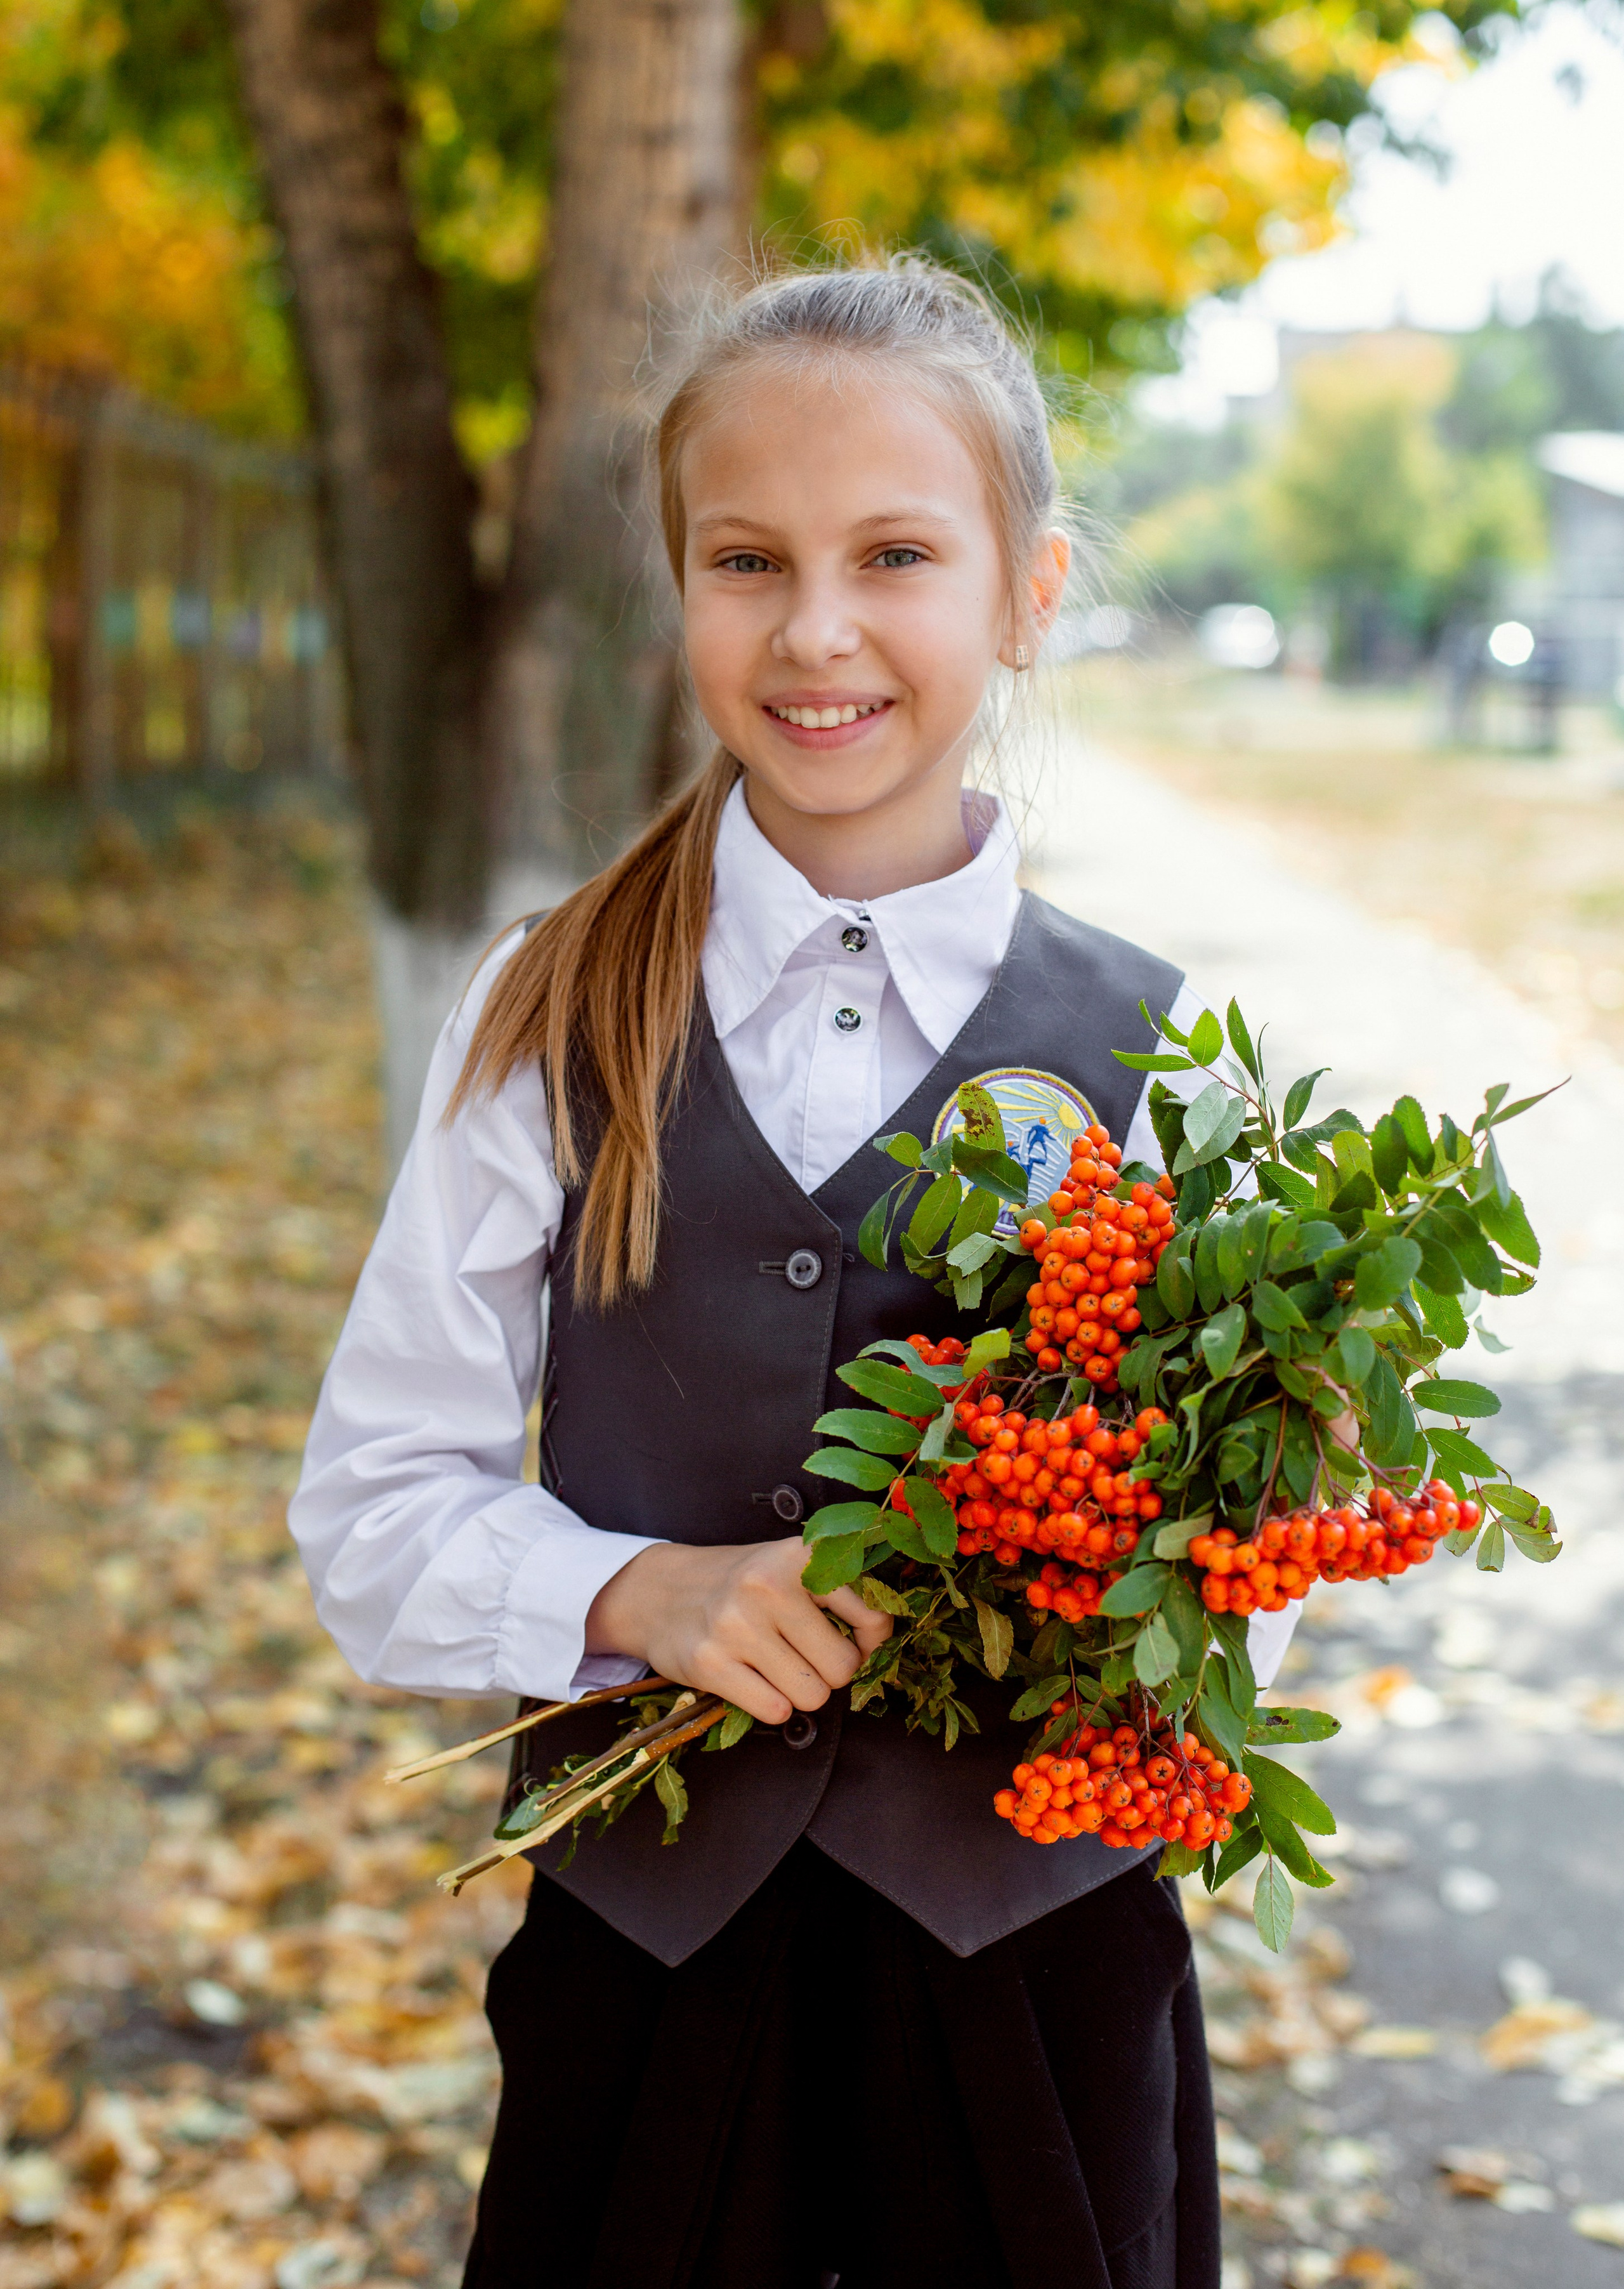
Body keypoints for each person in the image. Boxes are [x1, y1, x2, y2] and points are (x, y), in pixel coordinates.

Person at [291, 257, 1300, 2289]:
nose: (818, 630)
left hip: (1038, 1970)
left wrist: (1263, 1499)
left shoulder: (1166, 1053)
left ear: (1029, 590)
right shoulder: (547, 1008)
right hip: (652, 1968)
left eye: (897, 555)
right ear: (676, 587)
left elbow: (1230, 1580)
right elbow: (370, 1513)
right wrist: (636, 1592)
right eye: (747, 559)